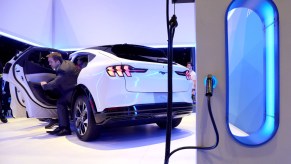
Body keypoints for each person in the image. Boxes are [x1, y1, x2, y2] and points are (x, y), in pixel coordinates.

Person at [41, 52, 80, 136]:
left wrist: (45, 85)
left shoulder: (63, 69)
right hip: (74, 90)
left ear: (57, 61)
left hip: (74, 92)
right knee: (60, 101)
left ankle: (65, 128)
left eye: (51, 61)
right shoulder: (66, 63)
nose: (49, 64)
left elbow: (56, 83)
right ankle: (62, 126)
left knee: (61, 102)